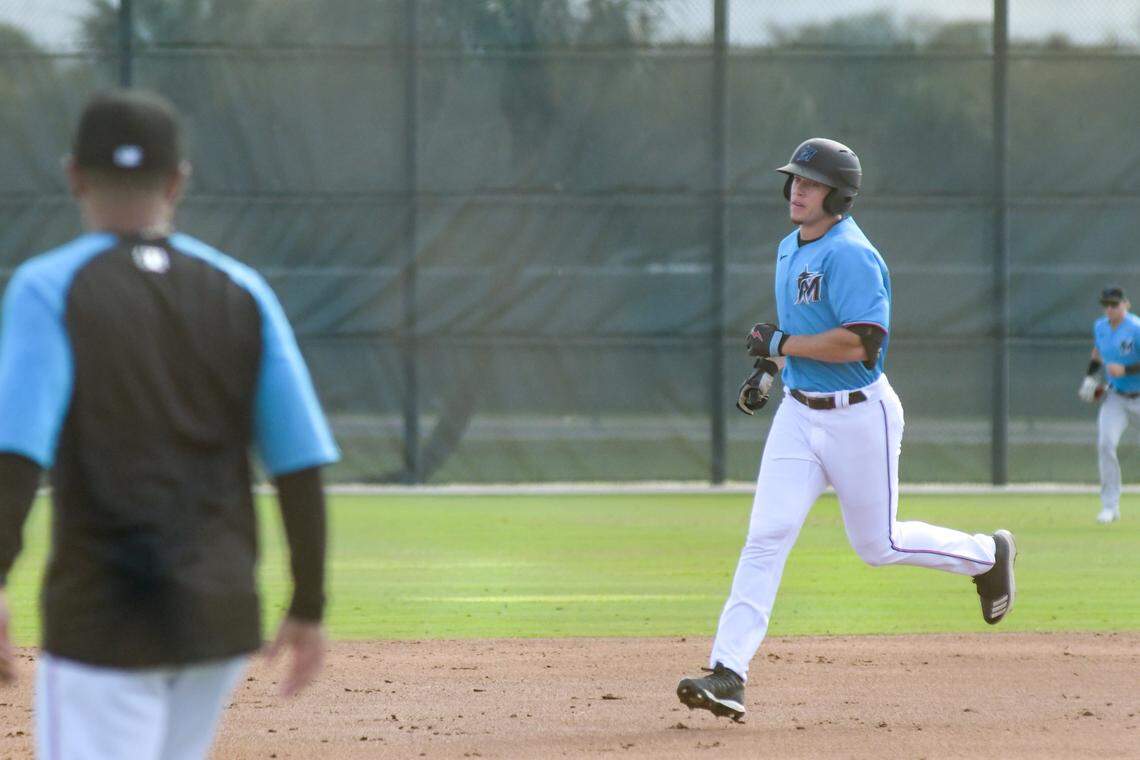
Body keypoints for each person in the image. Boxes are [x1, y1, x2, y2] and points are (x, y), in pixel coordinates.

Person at [0, 89, 339, 759]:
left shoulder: (49, 287)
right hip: (216, 611)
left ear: (73, 175)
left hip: (106, 611)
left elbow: (15, 454)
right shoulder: (243, 290)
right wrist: (309, 603)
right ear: (179, 181)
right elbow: (299, 462)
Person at [676, 138, 1017, 722]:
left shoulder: (852, 254)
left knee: (877, 546)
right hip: (798, 414)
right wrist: (770, 367)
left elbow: (863, 343)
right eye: (795, 180)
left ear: (838, 194)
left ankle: (987, 556)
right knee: (766, 536)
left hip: (860, 415)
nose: (798, 189)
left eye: (811, 182)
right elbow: (799, 327)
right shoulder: (790, 248)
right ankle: (729, 672)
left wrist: (781, 344)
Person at [1077, 286, 1140, 524]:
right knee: (1106, 444)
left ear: (1126, 304)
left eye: (1115, 304)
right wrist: (1090, 379)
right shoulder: (1101, 327)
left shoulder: (1136, 328)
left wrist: (1126, 369)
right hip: (1117, 397)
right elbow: (1097, 355)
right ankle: (1110, 506)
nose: (1110, 309)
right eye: (1107, 305)